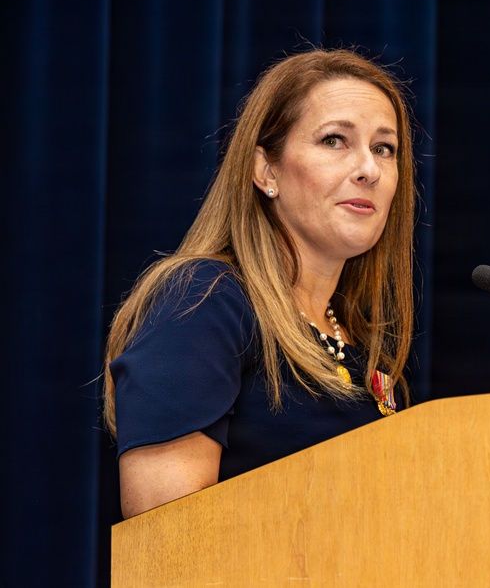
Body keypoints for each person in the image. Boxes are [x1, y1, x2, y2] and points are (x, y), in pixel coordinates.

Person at [101, 48, 416, 519]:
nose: (368, 168)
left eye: (384, 148)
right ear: (266, 171)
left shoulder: (361, 341)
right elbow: (166, 545)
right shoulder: (204, 301)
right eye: (334, 140)